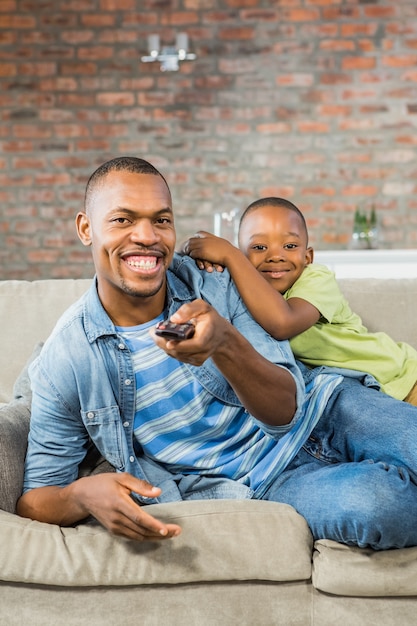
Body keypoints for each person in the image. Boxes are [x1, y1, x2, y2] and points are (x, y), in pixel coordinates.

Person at [17, 158, 417, 551]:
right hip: (262, 481)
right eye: (123, 220)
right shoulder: (66, 359)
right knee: (385, 506)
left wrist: (225, 343)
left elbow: (287, 411)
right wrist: (82, 495)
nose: (147, 236)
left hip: (327, 411)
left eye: (161, 220)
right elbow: (36, 497)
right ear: (86, 228)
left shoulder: (213, 281)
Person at [183, 197, 417, 405]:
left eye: (290, 246)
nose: (275, 256)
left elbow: (283, 323)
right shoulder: (241, 292)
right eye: (260, 247)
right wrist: (194, 250)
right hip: (367, 394)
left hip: (403, 377)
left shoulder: (316, 278)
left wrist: (229, 254)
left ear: (308, 257)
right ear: (244, 256)